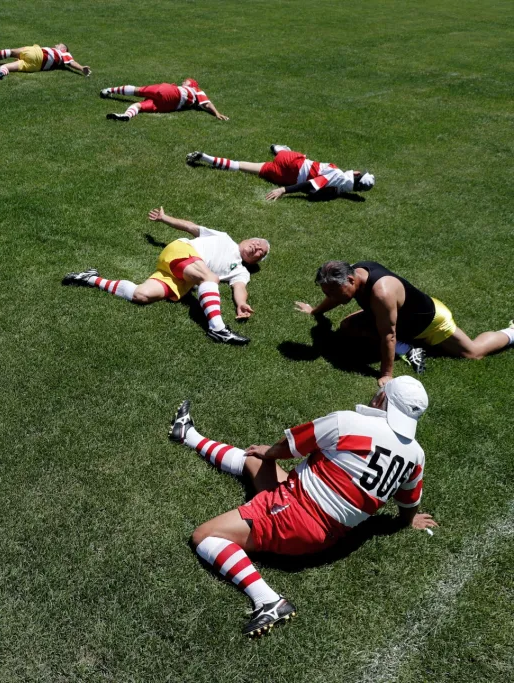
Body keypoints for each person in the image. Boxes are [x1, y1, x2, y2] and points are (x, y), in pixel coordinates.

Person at [169, 377, 437, 637]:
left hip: (296, 514)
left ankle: (267, 601)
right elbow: (409, 500)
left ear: (382, 397)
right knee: (254, 461)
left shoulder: (349, 423)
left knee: (205, 536)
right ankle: (188, 435)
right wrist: (407, 521)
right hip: (328, 529)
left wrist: (270, 451)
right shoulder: (416, 454)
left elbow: (291, 446)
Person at [61, 207, 268, 345]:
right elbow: (190, 226)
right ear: (246, 239)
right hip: (181, 252)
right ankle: (218, 329)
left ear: (256, 262)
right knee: (210, 278)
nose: (257, 247)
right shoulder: (223, 237)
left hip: (183, 277)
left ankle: (89, 278)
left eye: (261, 251)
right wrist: (164, 218)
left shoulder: (240, 271)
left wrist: (241, 304)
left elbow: (239, 287)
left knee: (141, 295)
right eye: (257, 242)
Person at [296, 261, 514, 384]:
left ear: (351, 280)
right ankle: (407, 348)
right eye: (328, 293)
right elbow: (334, 295)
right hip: (397, 315)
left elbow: (388, 335)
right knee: (347, 327)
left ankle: (511, 332)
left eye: (334, 292)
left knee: (473, 353)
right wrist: (315, 311)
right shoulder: (352, 272)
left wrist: (386, 375)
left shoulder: (382, 293)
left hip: (430, 322)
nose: (332, 297)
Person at [186, 144, 374, 200]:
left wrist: (284, 190)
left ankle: (278, 148)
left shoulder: (339, 175)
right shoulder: (339, 191)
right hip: (282, 175)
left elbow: (310, 185)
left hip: (293, 163)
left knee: (286, 152)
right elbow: (313, 192)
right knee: (242, 165)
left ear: (357, 174)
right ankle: (207, 158)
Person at [99, 79, 228, 122]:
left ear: (191, 84)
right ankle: (126, 115)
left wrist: (217, 113)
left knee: (138, 91)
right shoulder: (194, 99)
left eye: (186, 80)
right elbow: (204, 105)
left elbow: (207, 103)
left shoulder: (195, 89)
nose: (184, 81)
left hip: (171, 92)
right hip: (170, 106)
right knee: (139, 106)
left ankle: (109, 90)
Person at [0, 43, 91, 80]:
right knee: (6, 66)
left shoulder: (64, 53)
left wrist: (81, 68)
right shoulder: (59, 60)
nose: (56, 44)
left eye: (59, 44)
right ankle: (0, 73)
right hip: (35, 67)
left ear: (63, 48)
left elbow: (72, 62)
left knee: (11, 52)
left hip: (38, 54)